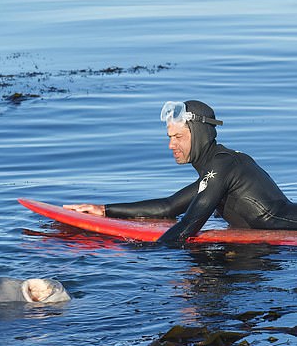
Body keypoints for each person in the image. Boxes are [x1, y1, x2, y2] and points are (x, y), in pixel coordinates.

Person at [64, 100, 297, 244]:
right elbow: (169, 206)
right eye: (169, 137)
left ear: (199, 134)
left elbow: (187, 228)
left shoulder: (223, 166)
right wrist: (104, 210)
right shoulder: (214, 172)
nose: (171, 145)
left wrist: (140, 252)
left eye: (178, 137)